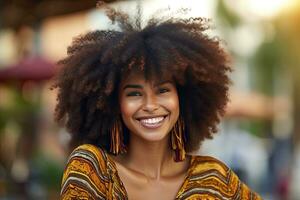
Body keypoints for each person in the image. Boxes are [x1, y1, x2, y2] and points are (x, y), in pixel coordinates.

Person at [53, 4, 262, 200]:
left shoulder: (213, 179)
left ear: (183, 98)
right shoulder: (92, 170)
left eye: (162, 90)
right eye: (134, 94)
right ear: (113, 104)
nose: (150, 105)